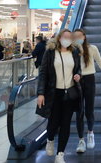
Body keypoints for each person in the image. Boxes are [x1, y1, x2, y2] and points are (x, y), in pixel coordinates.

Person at [37, 29, 81, 163]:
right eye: (65, 37)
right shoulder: (50, 52)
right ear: (59, 38)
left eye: (70, 37)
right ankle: (50, 139)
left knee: (66, 123)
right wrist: (40, 93)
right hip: (54, 93)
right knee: (54, 123)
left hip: (70, 93)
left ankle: (60, 154)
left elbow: (78, 68)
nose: (67, 39)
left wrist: (78, 75)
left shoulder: (74, 52)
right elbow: (43, 72)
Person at [73, 29, 101, 153]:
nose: (78, 38)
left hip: (90, 79)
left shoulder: (92, 48)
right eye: (75, 36)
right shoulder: (72, 50)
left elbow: (100, 62)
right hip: (76, 80)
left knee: (89, 109)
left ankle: (90, 134)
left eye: (79, 36)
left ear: (84, 36)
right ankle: (81, 140)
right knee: (79, 111)